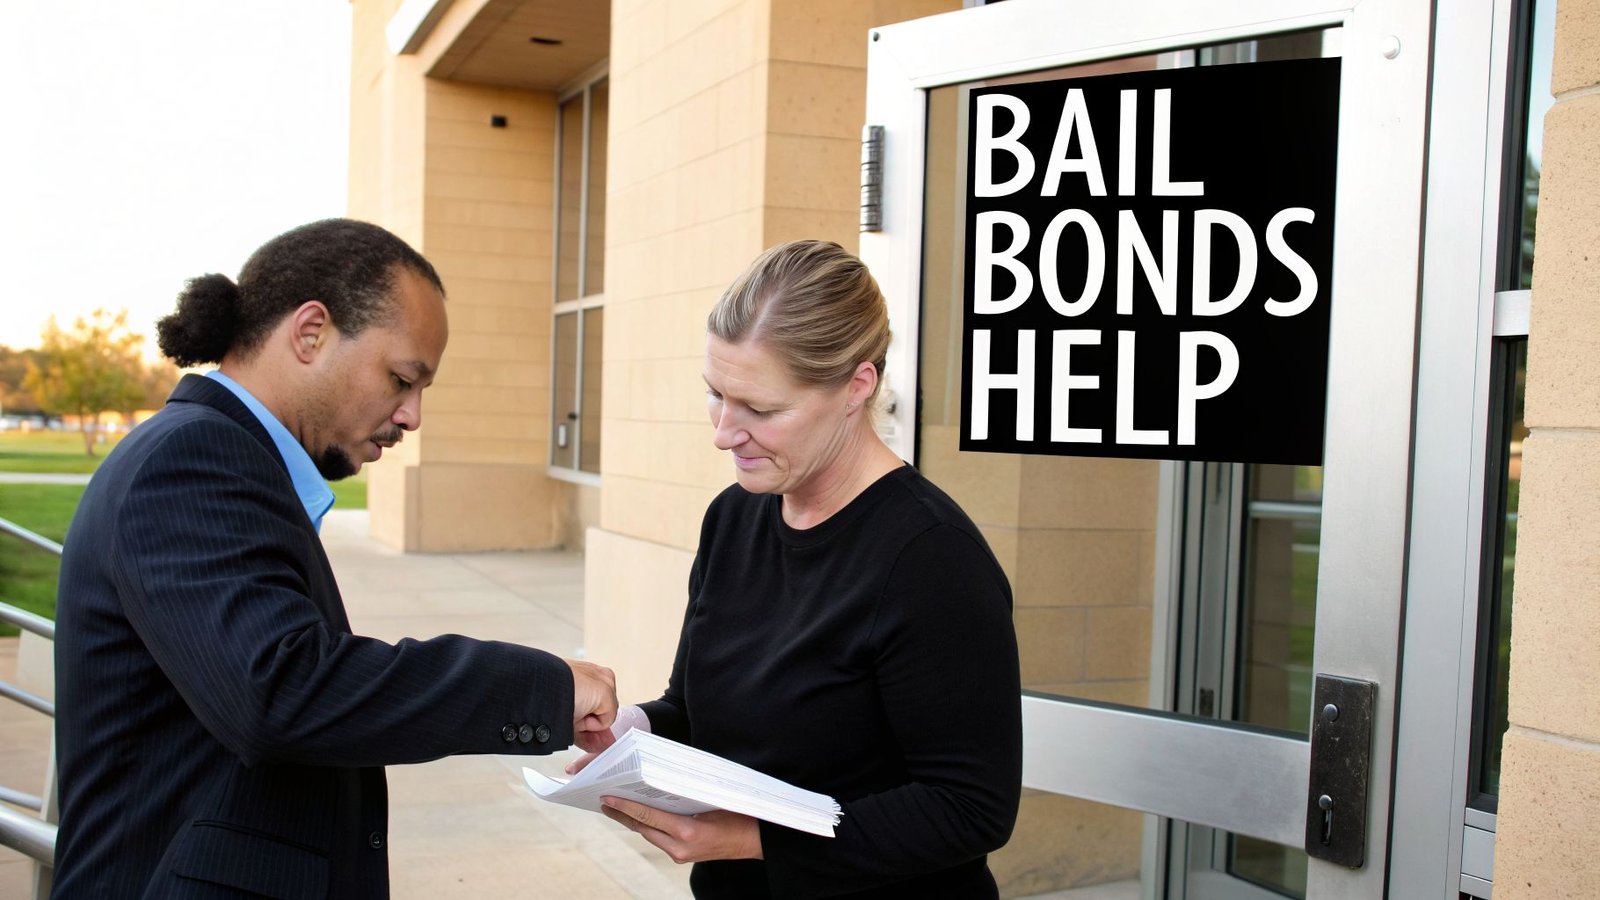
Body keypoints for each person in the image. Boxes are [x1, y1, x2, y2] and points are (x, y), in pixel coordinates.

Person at [51, 218, 619, 898]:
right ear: (311, 332)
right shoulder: (190, 461)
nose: (410, 417)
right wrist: (543, 686)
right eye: (402, 378)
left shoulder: (229, 461)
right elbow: (280, 690)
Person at [583, 240, 1023, 897]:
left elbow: (969, 809)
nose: (725, 432)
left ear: (857, 387)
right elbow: (697, 710)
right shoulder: (733, 518)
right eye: (716, 395)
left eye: (761, 409)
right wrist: (626, 733)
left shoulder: (933, 560)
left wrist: (750, 839)